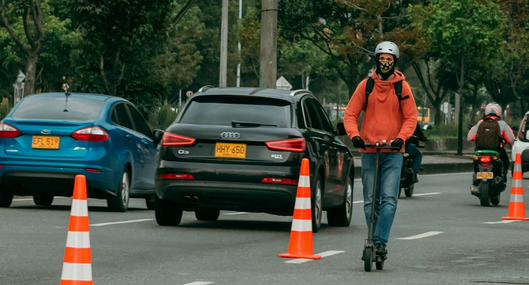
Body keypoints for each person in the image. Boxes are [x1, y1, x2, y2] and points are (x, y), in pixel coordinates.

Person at [344, 41, 418, 261]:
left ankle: (380, 242)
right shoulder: (365, 86)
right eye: (382, 59)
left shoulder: (402, 87)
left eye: (389, 59)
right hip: (369, 151)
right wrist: (355, 136)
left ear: (394, 62)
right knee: (369, 202)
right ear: (376, 60)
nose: (385, 63)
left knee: (388, 200)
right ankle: (373, 238)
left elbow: (411, 117)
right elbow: (350, 115)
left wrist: (400, 139)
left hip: (393, 154)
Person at [467, 102, 515, 187]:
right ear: (499, 112)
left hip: (480, 150)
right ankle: (502, 177)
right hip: (497, 151)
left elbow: (470, 138)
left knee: (475, 160)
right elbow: (511, 140)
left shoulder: (480, 123)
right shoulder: (503, 124)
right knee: (506, 161)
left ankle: (476, 177)